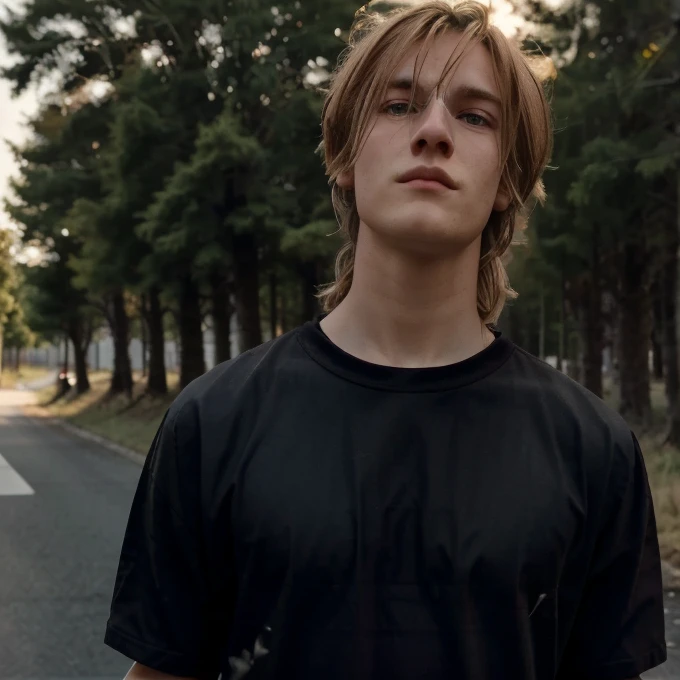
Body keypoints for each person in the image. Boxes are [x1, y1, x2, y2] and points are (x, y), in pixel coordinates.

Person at [105, 2, 667, 679]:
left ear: (507, 182)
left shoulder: (592, 452)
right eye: (399, 106)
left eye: (474, 115)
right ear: (343, 157)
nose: (433, 131)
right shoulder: (212, 424)